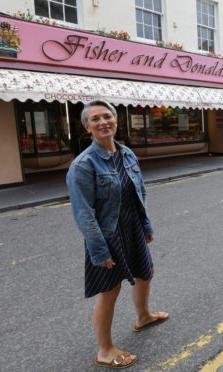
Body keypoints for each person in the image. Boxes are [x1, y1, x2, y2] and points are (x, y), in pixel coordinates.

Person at [66, 100, 169, 369]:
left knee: (146, 271)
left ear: (116, 120)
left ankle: (143, 316)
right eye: (95, 118)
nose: (103, 122)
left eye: (107, 116)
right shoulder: (83, 165)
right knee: (110, 290)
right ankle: (104, 350)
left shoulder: (127, 154)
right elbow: (84, 213)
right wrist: (99, 250)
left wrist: (145, 226)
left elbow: (139, 192)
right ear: (87, 126)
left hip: (131, 226)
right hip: (106, 234)